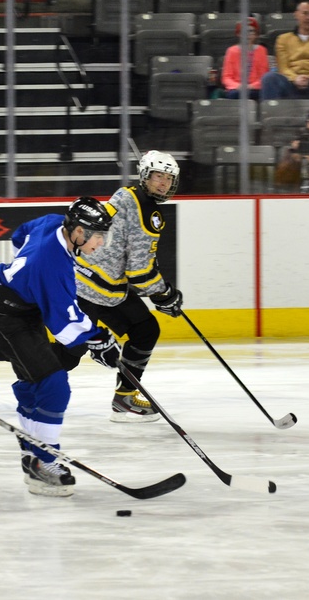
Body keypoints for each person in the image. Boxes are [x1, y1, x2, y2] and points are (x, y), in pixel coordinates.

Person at [0, 198, 120, 497]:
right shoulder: (52, 265)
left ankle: (32, 453)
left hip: (18, 309)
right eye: (96, 234)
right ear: (76, 231)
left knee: (34, 381)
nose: (101, 241)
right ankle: (45, 462)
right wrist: (100, 341)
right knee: (54, 383)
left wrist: (23, 273)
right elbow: (64, 324)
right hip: (8, 317)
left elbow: (20, 234)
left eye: (103, 234)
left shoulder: (51, 222)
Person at [75, 150, 184, 422]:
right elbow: (139, 272)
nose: (163, 183)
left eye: (168, 179)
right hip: (96, 290)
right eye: (158, 176)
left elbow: (134, 260)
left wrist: (159, 292)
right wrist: (164, 294)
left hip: (92, 283)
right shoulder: (147, 211)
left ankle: (125, 397)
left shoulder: (126, 195)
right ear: (145, 176)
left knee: (145, 329)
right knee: (65, 355)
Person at [260, 0, 309, 104]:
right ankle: (269, 117)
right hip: (291, 83)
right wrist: (295, 78)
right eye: (305, 13)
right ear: (296, 15)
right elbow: (283, 67)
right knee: (269, 77)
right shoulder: (283, 39)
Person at [221, 17, 270, 100]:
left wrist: (251, 86)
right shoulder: (231, 51)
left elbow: (264, 76)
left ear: (256, 34)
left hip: (255, 89)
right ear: (239, 34)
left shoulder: (262, 50)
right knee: (235, 94)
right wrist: (238, 86)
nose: (248, 34)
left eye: (251, 31)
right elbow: (226, 77)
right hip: (236, 89)